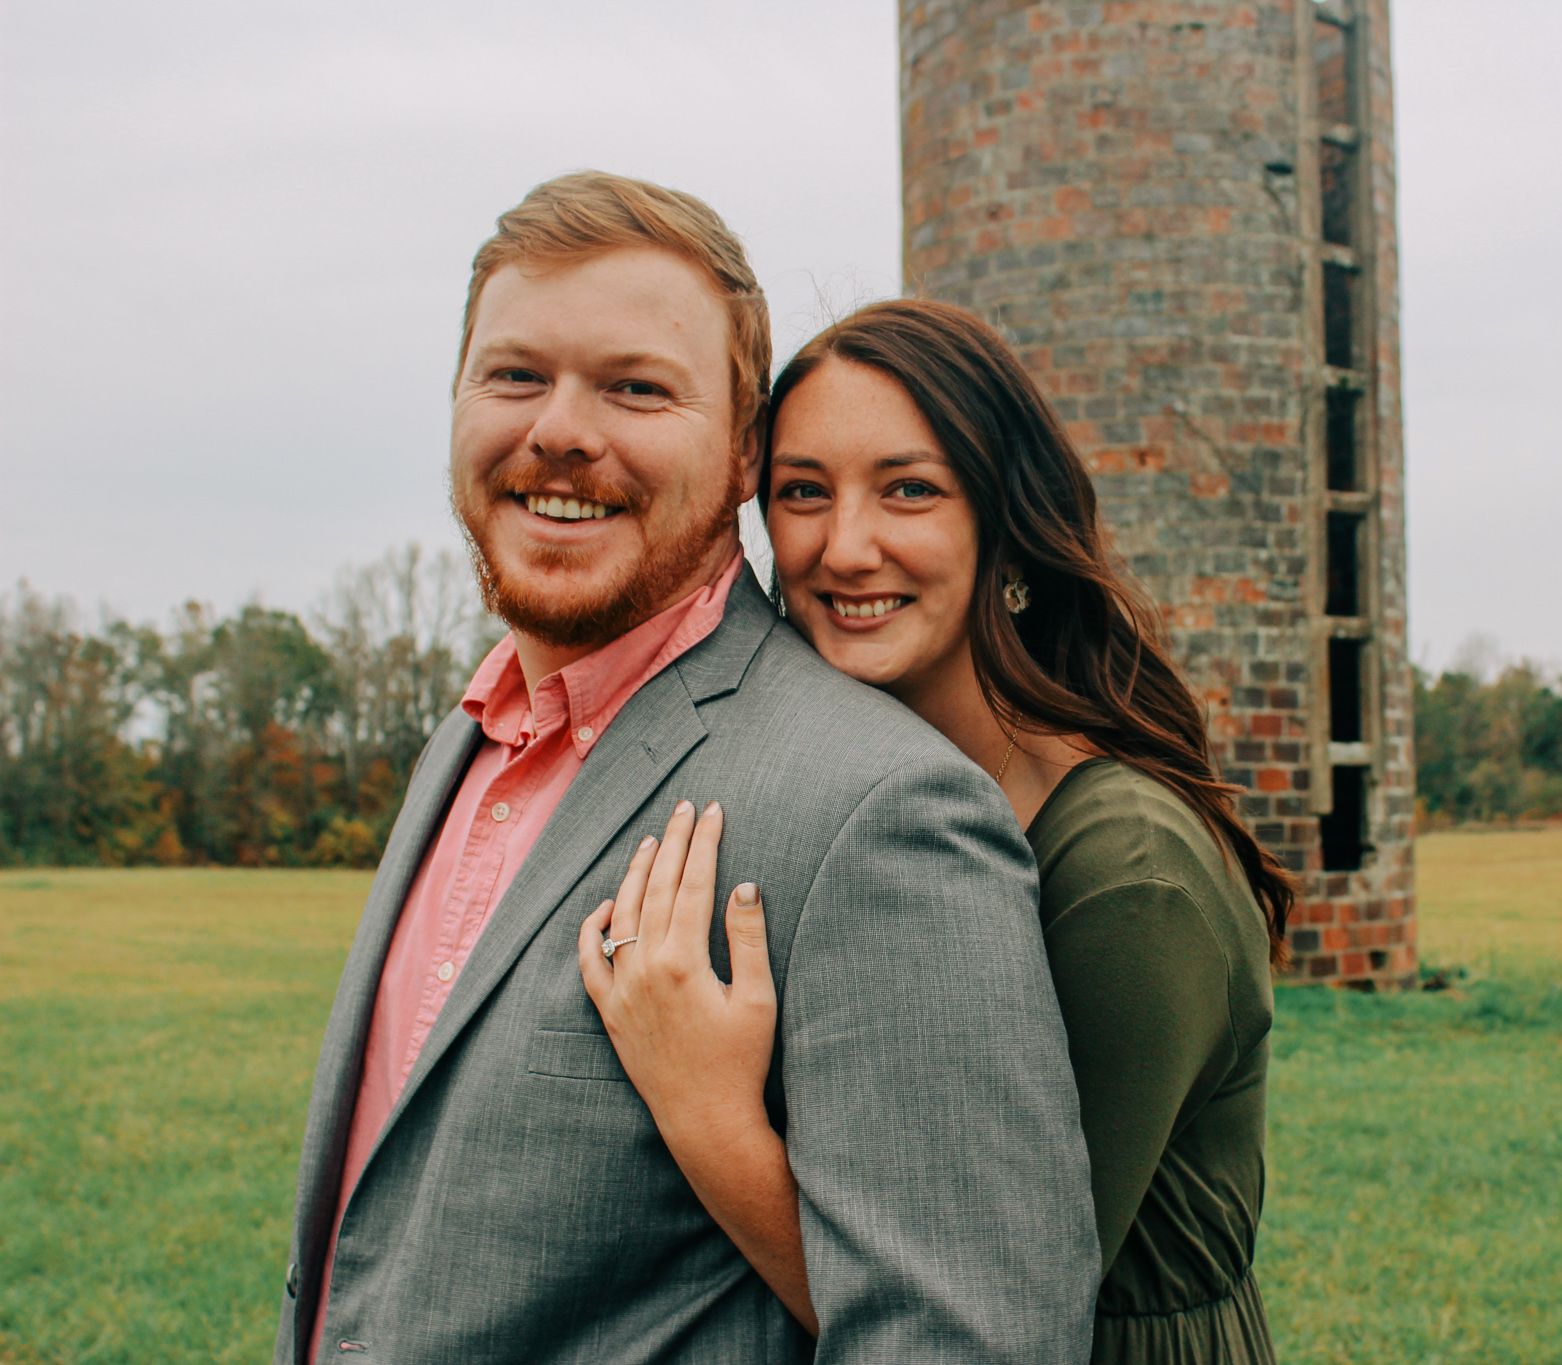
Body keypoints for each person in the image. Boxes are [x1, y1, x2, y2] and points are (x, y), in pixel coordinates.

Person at [272, 174, 1099, 1365]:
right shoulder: (468, 740)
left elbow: (971, 1339)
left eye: (635, 389)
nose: (558, 428)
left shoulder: (881, 810)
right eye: (514, 375)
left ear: (744, 452)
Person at [588, 298, 1290, 1363]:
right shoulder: (857, 809)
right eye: (802, 494)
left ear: (1004, 523)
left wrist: (707, 1112)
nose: (844, 547)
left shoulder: (1126, 876)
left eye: (908, 490)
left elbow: (976, 1313)